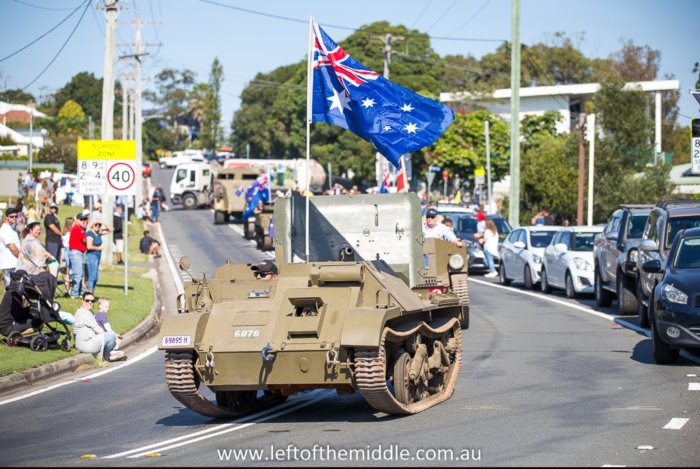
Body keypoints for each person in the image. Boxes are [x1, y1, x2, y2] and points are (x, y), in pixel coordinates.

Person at [73, 292, 125, 362]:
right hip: (86, 344)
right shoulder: (83, 313)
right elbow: (97, 329)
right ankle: (107, 356)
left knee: (111, 336)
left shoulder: (87, 311)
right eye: (87, 300)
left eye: (92, 301)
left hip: (89, 340)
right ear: (82, 301)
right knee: (111, 335)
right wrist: (110, 335)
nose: (90, 302)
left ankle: (109, 354)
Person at [85, 219, 111, 292]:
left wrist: (102, 222)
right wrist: (99, 248)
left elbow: (110, 230)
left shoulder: (99, 233)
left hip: (97, 256)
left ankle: (92, 292)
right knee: (92, 276)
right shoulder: (90, 233)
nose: (97, 226)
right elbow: (89, 246)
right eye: (96, 225)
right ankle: (89, 293)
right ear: (92, 225)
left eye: (99, 225)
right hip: (91, 256)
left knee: (96, 277)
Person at [68, 214, 89, 298]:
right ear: (77, 220)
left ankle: (80, 292)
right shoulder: (78, 228)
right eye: (81, 220)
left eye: (85, 220)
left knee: (81, 273)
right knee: (78, 273)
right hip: (76, 252)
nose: (83, 221)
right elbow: (86, 240)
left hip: (79, 253)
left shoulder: (80, 229)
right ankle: (75, 293)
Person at [0, 207, 21, 288]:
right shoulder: (5, 230)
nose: (14, 218)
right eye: (11, 217)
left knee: (13, 289)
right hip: (9, 264)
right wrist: (21, 257)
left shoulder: (11, 228)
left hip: (13, 263)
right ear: (6, 217)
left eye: (16, 216)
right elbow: (12, 247)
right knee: (10, 289)